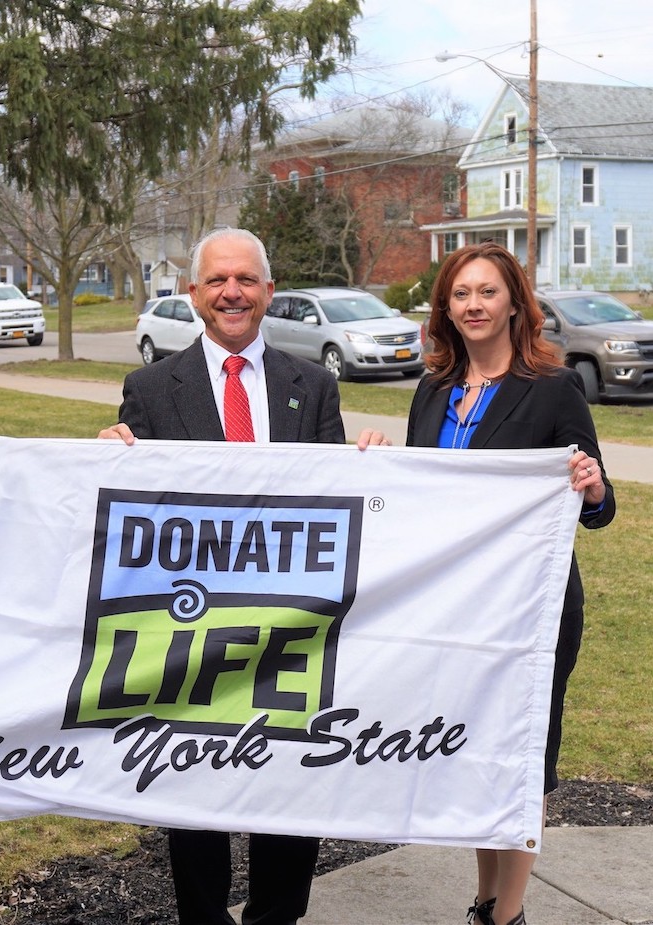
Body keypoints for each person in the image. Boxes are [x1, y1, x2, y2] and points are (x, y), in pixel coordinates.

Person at [100, 227, 388, 925]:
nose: (232, 293)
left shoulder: (312, 385)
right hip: (193, 624)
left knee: (289, 778)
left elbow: (333, 505)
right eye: (217, 281)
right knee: (192, 786)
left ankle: (276, 917)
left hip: (290, 625)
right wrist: (106, 458)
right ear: (193, 293)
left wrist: (372, 467)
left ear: (268, 290)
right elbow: (136, 514)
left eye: (247, 280)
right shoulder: (150, 389)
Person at [405, 243, 615, 925]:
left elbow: (599, 505)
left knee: (520, 756)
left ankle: (508, 915)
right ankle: (485, 899)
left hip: (532, 607)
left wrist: (592, 488)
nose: (474, 305)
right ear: (446, 308)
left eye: (488, 292)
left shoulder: (553, 387)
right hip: (458, 608)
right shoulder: (432, 391)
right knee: (474, 753)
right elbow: (416, 494)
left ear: (515, 304)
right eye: (461, 294)